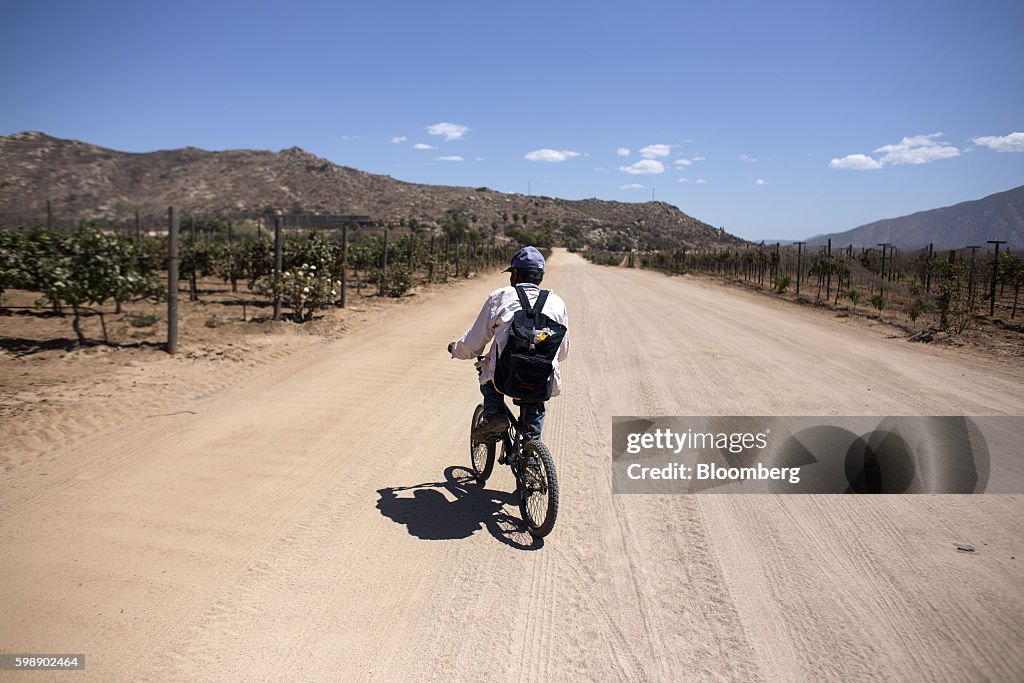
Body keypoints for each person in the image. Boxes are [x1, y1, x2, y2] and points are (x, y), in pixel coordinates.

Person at [448, 246, 569, 442]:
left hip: (504, 377)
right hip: (540, 379)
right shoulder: (557, 303)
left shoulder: (501, 297)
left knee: (486, 372)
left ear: (515, 274)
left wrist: (456, 349)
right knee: (535, 403)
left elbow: (474, 342)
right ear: (540, 277)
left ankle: (495, 413)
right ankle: (531, 449)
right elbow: (562, 353)